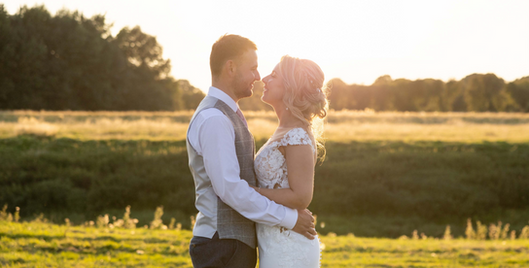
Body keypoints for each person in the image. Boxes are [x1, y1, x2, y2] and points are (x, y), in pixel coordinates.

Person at [186, 34, 317, 268]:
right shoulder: (215, 118)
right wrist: (289, 218)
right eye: (254, 68)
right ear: (231, 67)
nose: (259, 77)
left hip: (235, 244)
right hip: (222, 243)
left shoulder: (229, 113)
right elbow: (230, 189)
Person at [250, 55, 328, 267]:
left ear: (291, 87)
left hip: (289, 247)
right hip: (274, 242)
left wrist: (250, 192)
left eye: (274, 75)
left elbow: (301, 197)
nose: (264, 79)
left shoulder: (297, 136)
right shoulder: (284, 130)